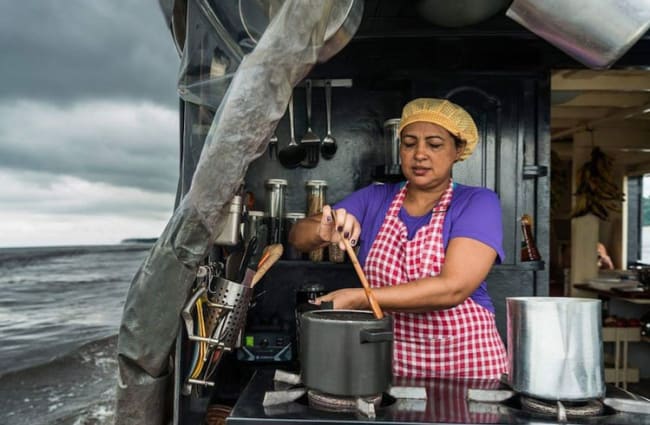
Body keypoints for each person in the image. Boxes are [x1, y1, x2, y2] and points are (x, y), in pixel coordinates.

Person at [289, 98, 508, 379]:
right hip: (391, 363)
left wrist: (361, 299)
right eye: (409, 143)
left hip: (468, 367)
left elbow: (453, 288)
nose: (419, 154)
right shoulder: (375, 198)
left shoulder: (477, 202)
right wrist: (323, 229)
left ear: (458, 150)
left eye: (434, 144)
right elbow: (297, 237)